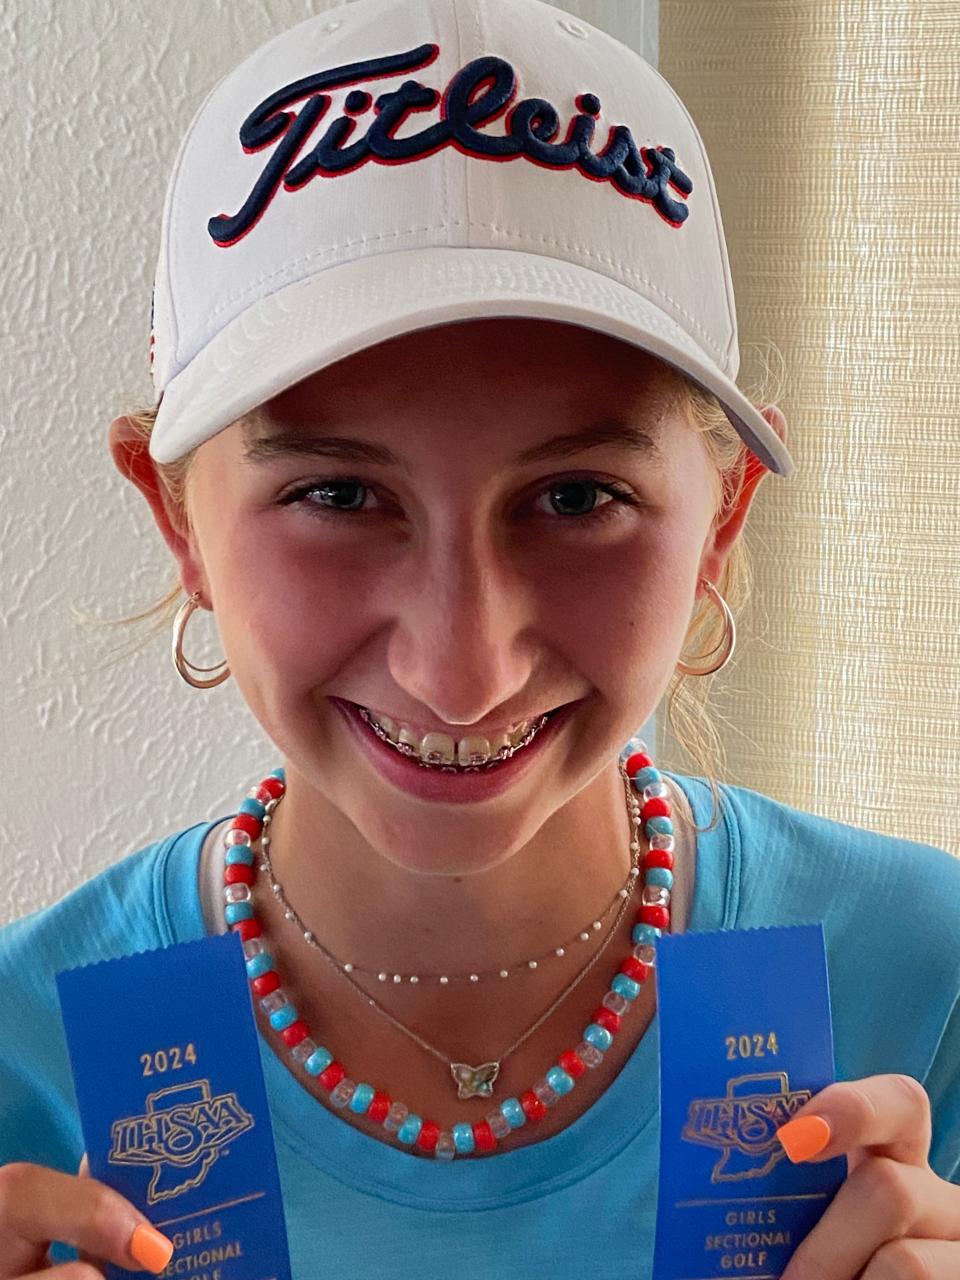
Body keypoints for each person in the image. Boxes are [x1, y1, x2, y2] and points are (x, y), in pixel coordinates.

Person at [2, 0, 959, 1276]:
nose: (463, 669)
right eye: (338, 496)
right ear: (178, 520)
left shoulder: (932, 986)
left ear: (722, 518)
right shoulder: (24, 1056)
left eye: (577, 500)